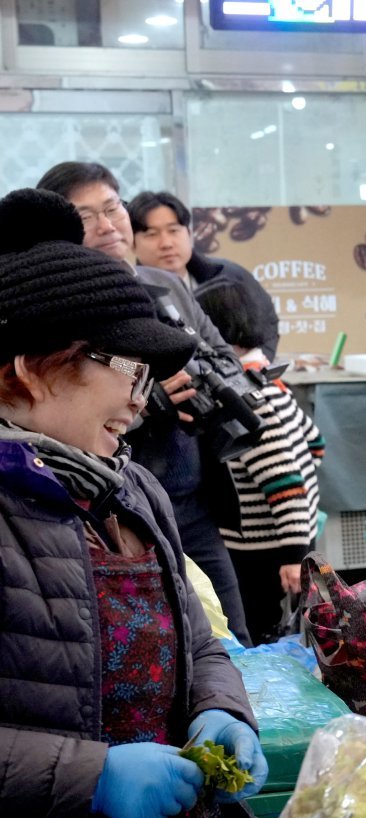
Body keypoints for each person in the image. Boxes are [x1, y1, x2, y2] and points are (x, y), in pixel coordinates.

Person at [0, 188, 267, 818]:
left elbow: (199, 638)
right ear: (32, 370)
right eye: (127, 370)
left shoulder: (127, 483)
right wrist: (94, 775)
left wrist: (222, 706)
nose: (139, 401)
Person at [36, 162, 252, 645]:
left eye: (113, 208)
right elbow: (57, 411)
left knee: (232, 637)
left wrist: (211, 382)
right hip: (114, 501)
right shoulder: (59, 306)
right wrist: (151, 399)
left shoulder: (168, 283)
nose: (107, 226)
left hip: (193, 498)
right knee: (155, 642)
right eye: (86, 216)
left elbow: (221, 354)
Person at [195, 278, 324, 644]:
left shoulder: (245, 399)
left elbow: (284, 481)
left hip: (263, 550)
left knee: (260, 631)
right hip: (285, 539)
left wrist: (292, 552)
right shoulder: (269, 383)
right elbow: (316, 444)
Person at [128, 191, 281, 362]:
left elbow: (267, 322)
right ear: (132, 243)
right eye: (151, 234)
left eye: (173, 230)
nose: (166, 243)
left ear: (189, 233)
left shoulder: (229, 276)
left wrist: (252, 370)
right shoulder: (128, 294)